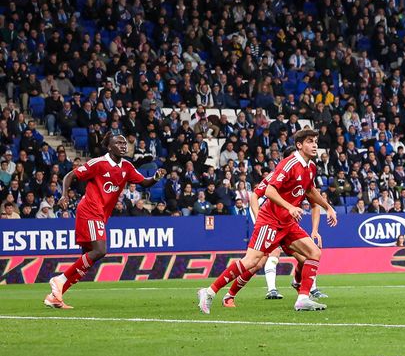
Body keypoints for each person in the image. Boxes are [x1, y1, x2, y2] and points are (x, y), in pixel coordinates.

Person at [197, 128, 337, 313]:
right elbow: (268, 191)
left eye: (316, 141)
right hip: (271, 220)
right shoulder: (288, 164)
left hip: (287, 223)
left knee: (314, 252)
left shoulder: (310, 167)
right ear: (299, 145)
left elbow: (310, 191)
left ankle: (302, 298)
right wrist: (290, 207)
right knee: (252, 262)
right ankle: (209, 292)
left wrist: (328, 207)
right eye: (310, 141)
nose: (314, 145)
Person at [45, 133, 165, 309]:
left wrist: (155, 178)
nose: (123, 145)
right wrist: (63, 195)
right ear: (109, 147)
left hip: (101, 215)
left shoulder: (127, 166)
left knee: (86, 261)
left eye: (124, 143)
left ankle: (55, 297)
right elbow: (70, 175)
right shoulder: (99, 163)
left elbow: (144, 183)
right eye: (118, 143)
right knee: (100, 250)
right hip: (90, 211)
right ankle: (59, 280)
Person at [223, 162, 326, 306]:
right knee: (257, 263)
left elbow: (314, 204)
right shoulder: (276, 176)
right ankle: (231, 295)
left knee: (305, 259)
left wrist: (315, 229)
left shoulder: (302, 178)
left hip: (287, 225)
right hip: (270, 224)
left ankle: (297, 283)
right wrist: (259, 220)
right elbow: (255, 195)